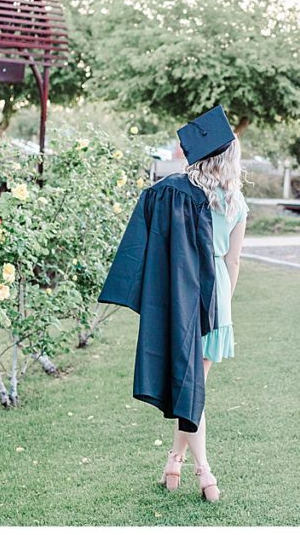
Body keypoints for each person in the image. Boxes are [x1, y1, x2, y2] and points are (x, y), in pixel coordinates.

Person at [100, 105, 248, 503]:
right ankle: (197, 470)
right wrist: (223, 305)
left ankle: (185, 466)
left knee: (191, 388)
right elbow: (233, 261)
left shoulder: (171, 193)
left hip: (182, 293)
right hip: (216, 296)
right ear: (230, 157)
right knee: (194, 384)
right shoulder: (236, 202)